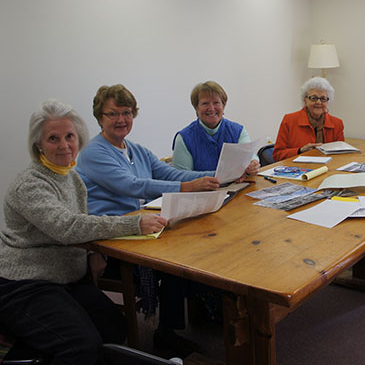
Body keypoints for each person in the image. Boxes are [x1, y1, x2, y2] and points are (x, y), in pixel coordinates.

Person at [0, 100, 167, 364]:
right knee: (80, 344)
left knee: (113, 327)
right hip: (28, 284)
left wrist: (92, 254)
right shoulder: (30, 184)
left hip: (67, 278)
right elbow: (67, 227)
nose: (64, 145)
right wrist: (133, 224)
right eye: (53, 138)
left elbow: (83, 219)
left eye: (70, 136)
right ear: (38, 145)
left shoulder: (71, 177)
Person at [76, 84, 219, 357]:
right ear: (99, 117)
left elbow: (170, 173)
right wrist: (188, 188)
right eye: (112, 114)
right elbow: (132, 186)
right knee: (176, 259)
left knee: (196, 245)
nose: (121, 120)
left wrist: (218, 175)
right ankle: (166, 335)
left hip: (141, 226)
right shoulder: (94, 152)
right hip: (111, 238)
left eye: (127, 113)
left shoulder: (135, 150)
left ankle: (178, 325)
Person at [172, 81, 259, 176]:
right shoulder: (183, 139)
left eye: (216, 103)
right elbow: (182, 177)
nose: (211, 108)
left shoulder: (238, 131)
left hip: (237, 187)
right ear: (196, 108)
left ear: (223, 106)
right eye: (205, 103)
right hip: (201, 190)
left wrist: (253, 164)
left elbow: (250, 157)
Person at [273, 77, 344, 162]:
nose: (318, 102)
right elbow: (277, 156)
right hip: (297, 171)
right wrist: (300, 151)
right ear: (305, 100)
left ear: (328, 101)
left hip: (327, 170)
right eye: (313, 98)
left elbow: (341, 156)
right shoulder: (289, 120)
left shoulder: (337, 123)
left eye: (323, 98)